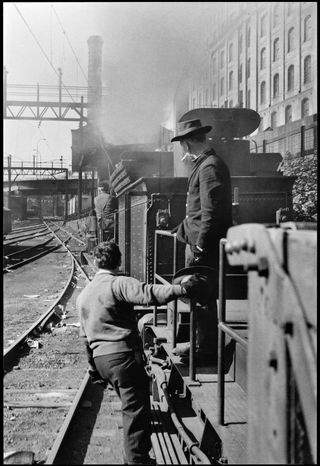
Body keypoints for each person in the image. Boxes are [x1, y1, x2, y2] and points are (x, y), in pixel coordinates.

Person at [76, 241, 208, 465]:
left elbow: (84, 339)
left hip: (101, 360)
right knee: (135, 408)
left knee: (131, 401)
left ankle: (137, 440)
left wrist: (92, 368)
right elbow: (150, 294)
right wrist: (183, 288)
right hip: (122, 356)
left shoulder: (84, 295)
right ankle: (137, 460)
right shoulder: (118, 283)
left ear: (96, 263)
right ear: (118, 261)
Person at [170, 118, 233, 363]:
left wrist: (199, 246)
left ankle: (206, 350)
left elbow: (211, 213)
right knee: (198, 296)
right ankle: (200, 343)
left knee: (203, 296)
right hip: (197, 239)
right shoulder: (205, 164)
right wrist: (182, 231)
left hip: (204, 244)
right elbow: (198, 211)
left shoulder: (209, 167)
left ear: (186, 144)